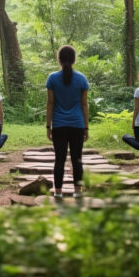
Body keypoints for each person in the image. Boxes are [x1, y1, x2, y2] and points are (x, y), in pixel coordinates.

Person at [46, 45, 89, 198]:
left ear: (59, 59)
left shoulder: (52, 78)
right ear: (73, 59)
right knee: (77, 159)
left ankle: (58, 192)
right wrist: (86, 127)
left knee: (60, 159)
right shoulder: (82, 79)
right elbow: (84, 104)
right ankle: (78, 192)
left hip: (59, 125)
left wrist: (48, 126)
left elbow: (50, 103)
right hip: (77, 125)